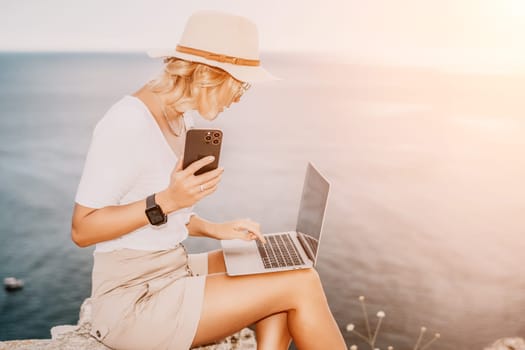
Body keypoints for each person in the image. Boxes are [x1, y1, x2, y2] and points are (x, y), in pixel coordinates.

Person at [71, 10, 347, 350]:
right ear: (206, 74)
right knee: (300, 282)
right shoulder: (127, 123)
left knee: (267, 264)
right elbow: (82, 229)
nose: (240, 96)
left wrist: (215, 228)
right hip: (132, 302)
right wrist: (166, 200)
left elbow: (166, 215)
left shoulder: (179, 119)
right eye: (241, 83)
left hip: (169, 269)